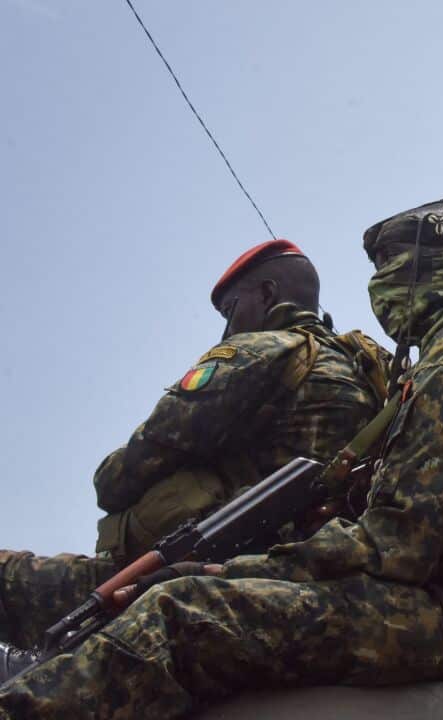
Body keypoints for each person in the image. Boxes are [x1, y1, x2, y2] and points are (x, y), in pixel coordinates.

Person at [0, 200, 443, 719]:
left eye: (389, 272)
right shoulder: (425, 365)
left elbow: (396, 545)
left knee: (183, 615)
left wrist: (232, 570)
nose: (378, 291)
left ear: (430, 274)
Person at [0, 240, 388, 650]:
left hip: (208, 568)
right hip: (314, 569)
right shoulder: (372, 369)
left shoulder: (259, 352)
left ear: (267, 294)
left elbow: (117, 479)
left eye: (231, 311)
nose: (227, 329)